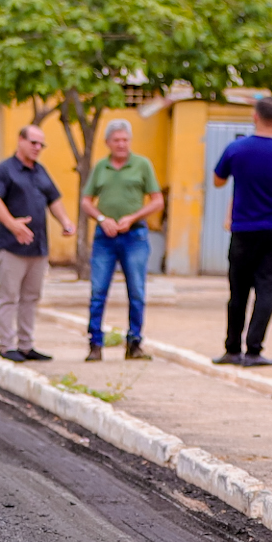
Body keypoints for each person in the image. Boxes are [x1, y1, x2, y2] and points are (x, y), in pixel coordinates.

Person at [212, 95, 272, 366]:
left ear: (255, 116)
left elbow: (218, 181)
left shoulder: (236, 149)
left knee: (238, 293)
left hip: (243, 229)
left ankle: (232, 349)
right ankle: (254, 351)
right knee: (266, 292)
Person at [84, 118, 165, 362]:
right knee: (98, 291)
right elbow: (86, 201)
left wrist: (133, 217)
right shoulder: (101, 167)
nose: (121, 144)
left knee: (137, 291)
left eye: (125, 140)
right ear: (108, 142)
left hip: (134, 235)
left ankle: (134, 342)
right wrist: (101, 218)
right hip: (105, 237)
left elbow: (157, 200)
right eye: (116, 140)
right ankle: (95, 343)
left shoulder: (142, 165)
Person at [0, 123, 63, 362]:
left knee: (31, 297)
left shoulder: (40, 171)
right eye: (33, 142)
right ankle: (6, 345)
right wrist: (13, 224)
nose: (37, 147)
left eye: (41, 144)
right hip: (11, 247)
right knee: (9, 296)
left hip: (37, 247)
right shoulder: (5, 170)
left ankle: (26, 345)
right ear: (21, 140)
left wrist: (65, 221)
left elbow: (54, 199)